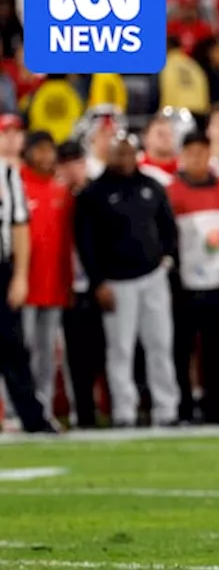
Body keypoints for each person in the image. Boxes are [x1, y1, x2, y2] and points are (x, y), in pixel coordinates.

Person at [73, 130, 181, 427]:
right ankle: (124, 410)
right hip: (116, 281)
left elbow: (169, 228)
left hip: (152, 277)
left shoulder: (152, 186)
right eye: (118, 152)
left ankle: (166, 408)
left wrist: (165, 260)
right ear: (108, 154)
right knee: (120, 349)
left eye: (129, 152)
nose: (124, 158)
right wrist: (98, 282)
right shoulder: (93, 194)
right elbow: (86, 243)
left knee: (160, 344)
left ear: (137, 154)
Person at [168, 133, 219, 424]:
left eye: (202, 152)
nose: (197, 158)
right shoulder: (172, 191)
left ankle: (218, 409)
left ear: (209, 153)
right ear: (183, 155)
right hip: (185, 286)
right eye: (191, 152)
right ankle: (184, 407)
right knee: (181, 351)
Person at [0, 148, 57, 433]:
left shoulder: (6, 173)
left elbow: (19, 225)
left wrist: (20, 275)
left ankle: (31, 418)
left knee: (11, 347)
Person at [19, 131, 73, 422]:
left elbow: (66, 244)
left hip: (53, 285)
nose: (45, 156)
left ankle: (44, 409)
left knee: (47, 355)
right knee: (20, 353)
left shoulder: (60, 191)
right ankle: (18, 410)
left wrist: (68, 282)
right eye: (38, 149)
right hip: (23, 287)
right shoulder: (15, 186)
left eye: (49, 150)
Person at [57, 140, 102, 428]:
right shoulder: (56, 196)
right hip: (65, 286)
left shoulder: (97, 195)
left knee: (101, 351)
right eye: (67, 163)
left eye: (78, 162)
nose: (73, 168)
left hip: (96, 284)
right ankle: (82, 412)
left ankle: (102, 408)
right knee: (74, 357)